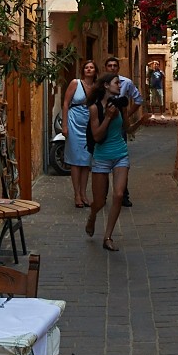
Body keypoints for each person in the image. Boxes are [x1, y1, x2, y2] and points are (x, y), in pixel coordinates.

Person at [86, 72, 131, 250]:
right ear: (106, 85)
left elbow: (127, 128)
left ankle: (107, 237)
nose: (120, 86)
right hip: (101, 157)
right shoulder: (95, 108)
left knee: (119, 195)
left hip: (121, 153)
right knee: (99, 202)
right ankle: (92, 215)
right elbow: (97, 136)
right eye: (116, 83)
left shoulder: (120, 105)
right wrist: (108, 118)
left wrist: (141, 122)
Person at [103, 56, 142, 206]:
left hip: (119, 126)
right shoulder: (101, 84)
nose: (112, 68)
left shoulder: (127, 83)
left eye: (115, 66)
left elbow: (138, 100)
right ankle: (103, 194)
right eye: (110, 65)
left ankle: (123, 194)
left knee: (121, 159)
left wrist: (127, 115)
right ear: (106, 67)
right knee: (103, 160)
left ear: (118, 68)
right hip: (104, 124)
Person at [61, 59, 98, 208]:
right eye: (86, 67)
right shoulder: (75, 83)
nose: (89, 70)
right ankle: (76, 194)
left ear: (95, 71)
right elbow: (65, 103)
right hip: (74, 122)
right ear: (83, 70)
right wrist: (64, 125)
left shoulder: (96, 86)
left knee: (86, 161)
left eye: (92, 68)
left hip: (88, 124)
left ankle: (84, 193)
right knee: (76, 160)